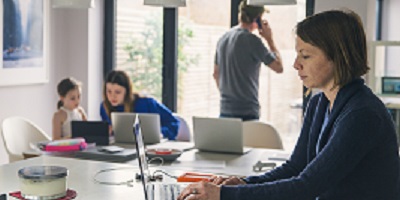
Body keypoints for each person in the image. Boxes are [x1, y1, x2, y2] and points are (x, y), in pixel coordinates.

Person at [178, 9, 400, 200]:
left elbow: (307, 186)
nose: (296, 64)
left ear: (338, 56)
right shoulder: (319, 103)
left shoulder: (362, 114)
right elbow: (296, 167)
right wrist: (244, 184)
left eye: (305, 56)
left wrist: (223, 195)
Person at [213, 0, 283, 121]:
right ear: (258, 19)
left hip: (225, 111)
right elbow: (278, 67)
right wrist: (269, 39)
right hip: (247, 113)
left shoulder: (223, 39)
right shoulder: (252, 41)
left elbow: (216, 74)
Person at [100, 70, 179, 140]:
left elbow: (174, 123)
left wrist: (159, 133)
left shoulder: (146, 103)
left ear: (127, 92)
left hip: (151, 147)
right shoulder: (104, 107)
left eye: (117, 92)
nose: (112, 96)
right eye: (109, 91)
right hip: (121, 148)